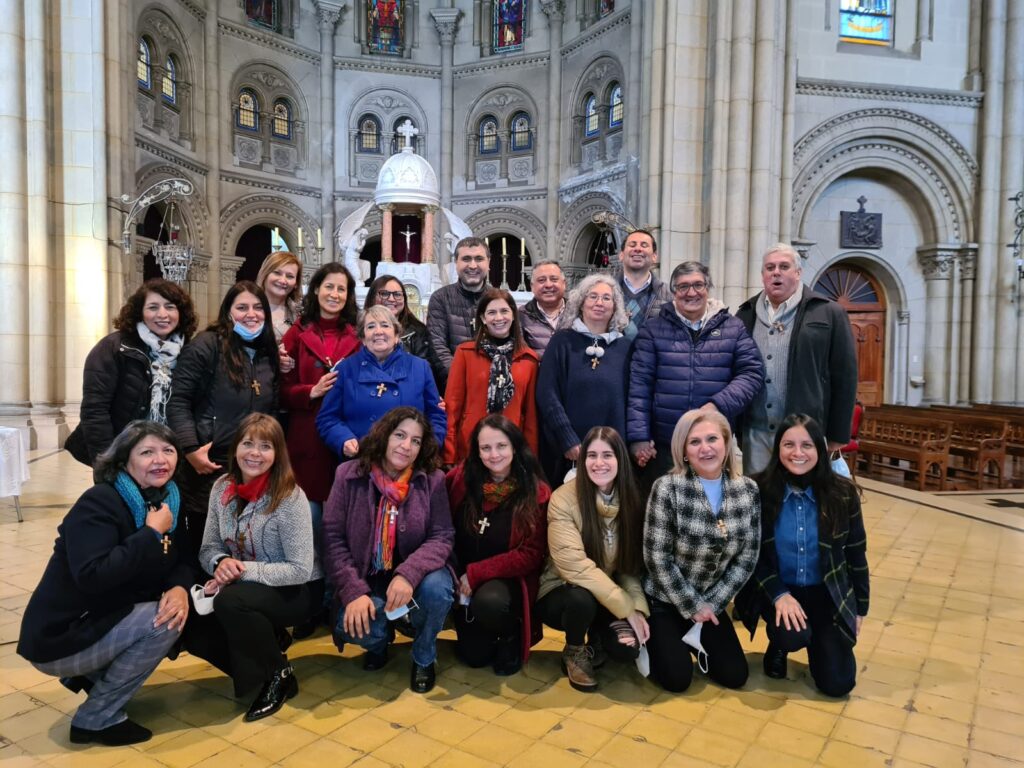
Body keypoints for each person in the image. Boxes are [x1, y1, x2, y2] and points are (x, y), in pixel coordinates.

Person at [18, 421, 192, 746]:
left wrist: (179, 587)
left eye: (168, 450)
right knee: (165, 623)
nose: (160, 459)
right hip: (60, 636)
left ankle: (92, 678)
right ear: (124, 461)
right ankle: (97, 719)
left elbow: (179, 557)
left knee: (175, 607)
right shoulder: (100, 502)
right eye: (147, 452)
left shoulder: (166, 499)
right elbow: (93, 576)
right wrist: (150, 533)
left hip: (99, 617)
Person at [183, 414, 322, 721]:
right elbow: (208, 548)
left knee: (231, 602)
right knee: (193, 622)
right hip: (245, 587)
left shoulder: (289, 497)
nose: (255, 453)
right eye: (247, 444)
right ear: (235, 448)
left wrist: (239, 571)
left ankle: (278, 675)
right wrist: (220, 563)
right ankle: (258, 668)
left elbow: (299, 569)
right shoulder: (221, 488)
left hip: (296, 590)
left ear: (278, 453)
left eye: (265, 446)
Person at [734, 414, 868, 697]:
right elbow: (750, 556)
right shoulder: (757, 490)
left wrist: (860, 607)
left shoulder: (843, 494)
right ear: (778, 449)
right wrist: (779, 594)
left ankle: (819, 639)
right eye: (789, 445)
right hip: (780, 591)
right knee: (792, 634)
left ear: (819, 449)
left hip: (825, 593)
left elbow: (856, 553)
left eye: (806, 445)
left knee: (838, 684)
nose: (797, 453)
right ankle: (780, 644)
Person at [323, 407, 455, 694]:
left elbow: (442, 536)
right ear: (384, 435)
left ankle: (424, 654)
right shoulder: (348, 474)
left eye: (415, 441)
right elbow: (333, 539)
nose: (406, 446)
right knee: (353, 625)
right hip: (367, 577)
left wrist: (408, 574)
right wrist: (354, 592)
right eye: (400, 435)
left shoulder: (432, 479)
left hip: (416, 577)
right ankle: (380, 641)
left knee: (438, 590)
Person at [643, 409, 760, 693]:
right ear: (683, 451)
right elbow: (657, 558)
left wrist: (711, 605)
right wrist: (692, 606)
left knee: (735, 675)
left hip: (711, 602)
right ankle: (658, 640)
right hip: (666, 599)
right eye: (694, 442)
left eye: (712, 439)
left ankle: (688, 638)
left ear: (726, 443)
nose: (705, 448)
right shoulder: (667, 488)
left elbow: (747, 557)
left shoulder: (748, 490)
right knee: (677, 679)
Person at [627, 261, 764, 488]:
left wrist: (717, 405)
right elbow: (640, 385)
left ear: (708, 288)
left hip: (713, 442)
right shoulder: (653, 330)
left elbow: (752, 373)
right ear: (674, 292)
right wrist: (639, 437)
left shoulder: (733, 327)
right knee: (665, 505)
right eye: (683, 287)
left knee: (712, 504)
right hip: (666, 445)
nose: (691, 293)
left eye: (698, 285)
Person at [167, 281, 279, 552]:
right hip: (210, 464)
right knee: (207, 543)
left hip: (252, 465)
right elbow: (178, 400)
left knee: (244, 542)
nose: (251, 314)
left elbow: (273, 407)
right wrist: (190, 448)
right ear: (228, 311)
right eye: (242, 307)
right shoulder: (207, 345)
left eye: (258, 307)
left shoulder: (267, 351)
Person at [537, 427, 649, 692]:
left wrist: (637, 608)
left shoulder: (631, 499)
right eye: (592, 455)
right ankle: (575, 650)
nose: (599, 463)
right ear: (582, 460)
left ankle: (598, 638)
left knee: (626, 649)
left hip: (606, 591)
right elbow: (576, 568)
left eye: (607, 455)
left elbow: (628, 567)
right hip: (562, 592)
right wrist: (625, 607)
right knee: (581, 598)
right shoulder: (563, 499)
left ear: (620, 460)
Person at [735, 243, 858, 474]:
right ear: (762, 275)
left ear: (798, 273)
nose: (776, 272)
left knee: (802, 493)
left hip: (806, 434)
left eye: (784, 267)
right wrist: (737, 428)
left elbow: (845, 376)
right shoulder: (745, 314)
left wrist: (838, 435)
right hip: (756, 432)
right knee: (760, 493)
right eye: (770, 268)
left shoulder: (828, 312)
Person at [446, 415, 550, 676]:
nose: (494, 455)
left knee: (491, 603)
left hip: (506, 582)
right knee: (474, 657)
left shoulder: (535, 491)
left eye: (501, 446)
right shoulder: (460, 480)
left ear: (515, 446)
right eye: (486, 448)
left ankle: (509, 634)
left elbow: (531, 555)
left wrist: (476, 573)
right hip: (463, 580)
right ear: (477, 451)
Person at [65, 279, 197, 466]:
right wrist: (106, 462)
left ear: (181, 312)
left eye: (170, 307)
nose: (162, 314)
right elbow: (95, 411)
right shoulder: (114, 347)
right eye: (153, 307)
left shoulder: (189, 350)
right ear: (139, 312)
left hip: (168, 454)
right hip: (121, 453)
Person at [280, 263, 360, 530]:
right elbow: (279, 390)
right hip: (307, 434)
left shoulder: (358, 335)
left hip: (347, 433)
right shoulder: (297, 333)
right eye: (329, 287)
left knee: (344, 518)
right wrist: (310, 391)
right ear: (316, 289)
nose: (334, 294)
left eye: (341, 289)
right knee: (308, 518)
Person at [537, 274, 631, 484]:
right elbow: (547, 393)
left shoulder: (625, 347)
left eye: (606, 298)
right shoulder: (562, 341)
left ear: (615, 307)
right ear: (581, 303)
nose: (599, 303)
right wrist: (567, 438)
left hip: (613, 451)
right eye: (593, 296)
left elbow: (632, 399)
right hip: (570, 451)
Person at [317, 305, 446, 460]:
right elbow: (328, 418)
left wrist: (428, 447)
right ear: (363, 338)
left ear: (397, 335)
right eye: (371, 326)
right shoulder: (346, 369)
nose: (378, 331)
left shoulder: (420, 367)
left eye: (385, 325)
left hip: (408, 461)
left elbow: (436, 415)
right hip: (361, 459)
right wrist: (343, 439)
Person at [443, 288, 540, 465]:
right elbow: (453, 406)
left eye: (504, 311)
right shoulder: (465, 353)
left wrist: (530, 457)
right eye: (491, 312)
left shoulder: (528, 359)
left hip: (511, 448)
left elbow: (530, 417)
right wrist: (449, 453)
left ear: (513, 315)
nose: (498, 318)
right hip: (471, 446)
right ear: (482, 318)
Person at [426, 236, 490, 390]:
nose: (473, 265)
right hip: (453, 386)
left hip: (491, 385)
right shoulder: (440, 298)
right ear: (456, 263)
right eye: (466, 259)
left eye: (479, 259)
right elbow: (437, 346)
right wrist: (460, 379)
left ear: (488, 262)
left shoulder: (499, 299)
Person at [364, 273, 440, 381]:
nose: (391, 299)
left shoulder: (418, 330)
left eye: (397, 294)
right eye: (384, 294)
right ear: (372, 297)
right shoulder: (360, 328)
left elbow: (425, 369)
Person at [616, 229, 671, 340]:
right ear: (621, 255)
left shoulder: (669, 294)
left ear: (654, 256)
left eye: (644, 245)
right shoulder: (605, 291)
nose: (638, 249)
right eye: (632, 245)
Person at [256, 250, 303, 374]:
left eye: (290, 276)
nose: (283, 281)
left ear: (296, 283)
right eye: (277, 273)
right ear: (265, 274)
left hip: (290, 379)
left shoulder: (302, 316)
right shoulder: (247, 309)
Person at [519, 260, 567, 357]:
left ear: (564, 284)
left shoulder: (578, 312)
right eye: (541, 280)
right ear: (532, 286)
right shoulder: (521, 315)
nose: (548, 285)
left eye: (554, 279)